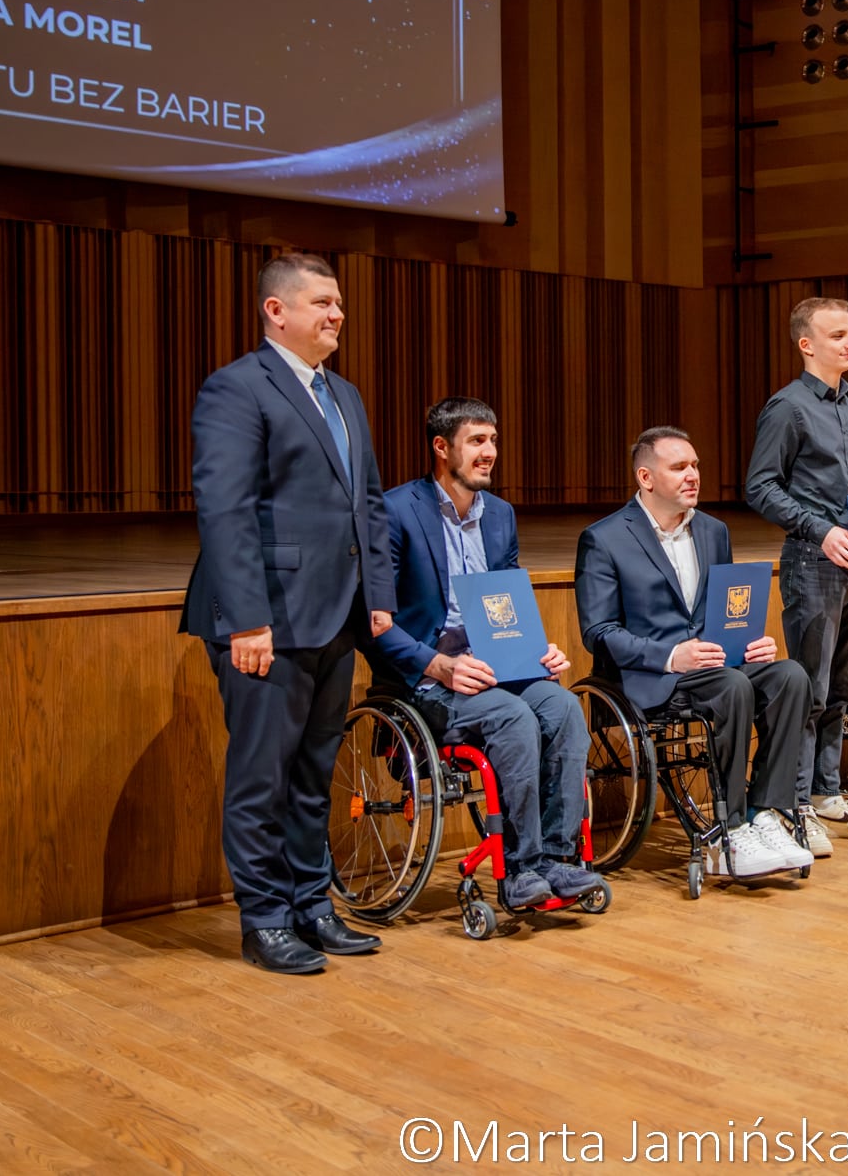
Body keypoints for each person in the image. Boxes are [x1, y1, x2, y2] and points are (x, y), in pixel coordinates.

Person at [182, 252, 395, 974]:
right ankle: (265, 918)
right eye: (323, 302)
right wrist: (246, 619)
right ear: (277, 311)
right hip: (265, 620)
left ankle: (312, 905)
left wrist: (381, 601)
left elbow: (367, 502)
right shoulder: (237, 388)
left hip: (335, 616)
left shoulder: (346, 395)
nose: (337, 314)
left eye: (340, 304)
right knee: (261, 777)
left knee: (312, 774)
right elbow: (226, 509)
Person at [365, 397, 602, 903]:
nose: (490, 451)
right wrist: (438, 664)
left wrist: (538, 650)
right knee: (513, 717)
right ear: (440, 446)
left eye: (493, 439)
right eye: (477, 440)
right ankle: (520, 868)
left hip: (496, 667)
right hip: (429, 677)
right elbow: (373, 624)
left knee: (561, 707)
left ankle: (558, 858)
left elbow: (507, 606)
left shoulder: (499, 515)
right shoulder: (395, 511)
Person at [574, 427, 813, 879]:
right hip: (648, 676)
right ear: (646, 477)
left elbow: (723, 612)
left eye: (696, 466)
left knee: (789, 676)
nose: (693, 476)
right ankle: (731, 829)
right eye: (679, 467)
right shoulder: (604, 539)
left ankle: (767, 811)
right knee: (733, 685)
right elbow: (598, 632)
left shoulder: (713, 531)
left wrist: (749, 642)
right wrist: (670, 656)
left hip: (711, 667)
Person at [744, 297, 848, 850]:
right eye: (837, 336)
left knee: (844, 685)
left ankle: (829, 794)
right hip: (815, 559)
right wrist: (820, 530)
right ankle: (796, 802)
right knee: (809, 685)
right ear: (807, 344)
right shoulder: (787, 407)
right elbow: (759, 486)